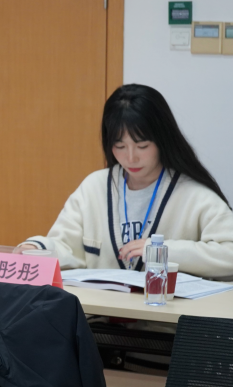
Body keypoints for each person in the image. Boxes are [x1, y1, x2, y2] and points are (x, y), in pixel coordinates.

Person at [15, 84, 233, 279]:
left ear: (163, 140)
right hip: (99, 310)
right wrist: (36, 248)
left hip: (165, 312)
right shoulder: (94, 188)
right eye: (120, 146)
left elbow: (229, 253)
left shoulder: (194, 195)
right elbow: (66, 246)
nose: (130, 158)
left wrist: (162, 251)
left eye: (142, 146)